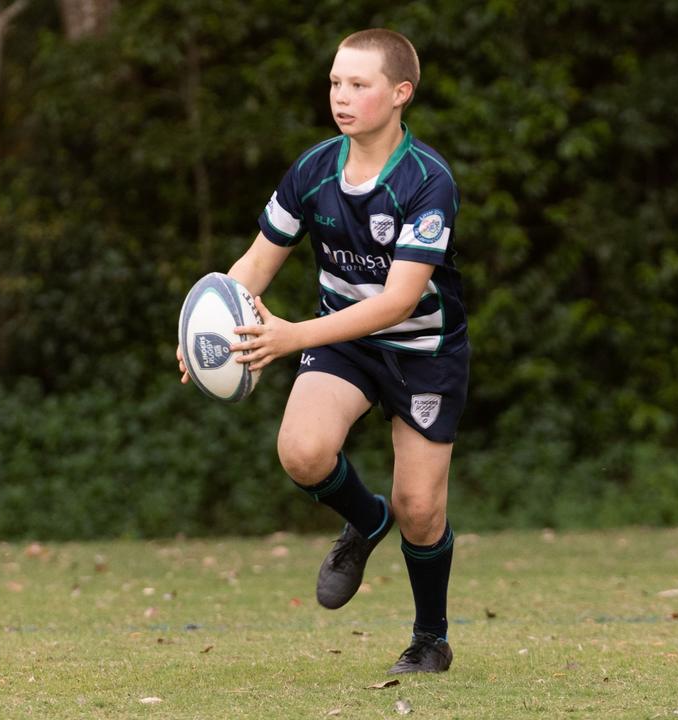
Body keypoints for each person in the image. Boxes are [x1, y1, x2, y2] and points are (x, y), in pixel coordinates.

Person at [177, 28, 469, 675]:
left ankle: (430, 639)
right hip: (345, 343)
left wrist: (290, 337)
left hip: (422, 351)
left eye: (358, 84)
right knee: (302, 452)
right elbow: (254, 264)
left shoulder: (427, 182)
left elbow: (397, 302)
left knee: (419, 508)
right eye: (335, 82)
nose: (341, 96)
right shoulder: (312, 171)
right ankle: (364, 524)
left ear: (399, 94)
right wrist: (205, 338)